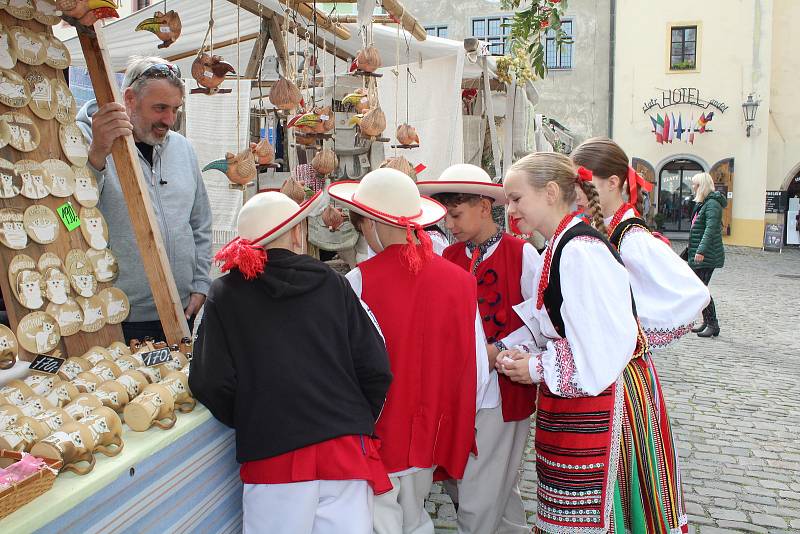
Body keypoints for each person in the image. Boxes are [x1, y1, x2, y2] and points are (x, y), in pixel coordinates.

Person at [497, 152, 689, 534]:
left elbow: (600, 344)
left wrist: (536, 367)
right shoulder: (561, 245)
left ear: (550, 192)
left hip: (601, 401)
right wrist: (533, 356)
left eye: (516, 198)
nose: (511, 210)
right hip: (579, 400)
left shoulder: (580, 251)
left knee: (597, 513)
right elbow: (573, 330)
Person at [190, 191, 393, 534]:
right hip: (343, 449)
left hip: (273, 452)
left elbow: (210, 382)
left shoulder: (225, 293)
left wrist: (252, 414)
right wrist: (349, 418)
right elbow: (375, 368)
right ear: (298, 234)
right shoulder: (334, 284)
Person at [328, 168, 490, 534]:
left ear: (371, 222)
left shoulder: (358, 282)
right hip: (433, 427)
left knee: (381, 519)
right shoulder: (461, 281)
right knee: (414, 516)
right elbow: (477, 369)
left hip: (377, 428)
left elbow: (344, 368)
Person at [417, 163, 539, 534]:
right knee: (497, 492)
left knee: (479, 494)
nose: (449, 226)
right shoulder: (448, 259)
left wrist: (498, 348)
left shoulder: (522, 255)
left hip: (503, 391)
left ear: (484, 207)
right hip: (460, 392)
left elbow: (541, 322)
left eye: (456, 215)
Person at [76, 56, 212, 342]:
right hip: (117, 318)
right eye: (160, 108)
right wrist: (97, 156)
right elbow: (69, 216)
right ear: (129, 99)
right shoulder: (85, 143)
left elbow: (200, 223)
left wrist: (200, 283)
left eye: (175, 109)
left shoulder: (184, 149)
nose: (169, 120)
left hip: (181, 312)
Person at [571, 137, 710, 349]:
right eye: (574, 184)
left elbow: (695, 294)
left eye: (584, 184)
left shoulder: (632, 237)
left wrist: (630, 331)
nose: (576, 193)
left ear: (612, 183)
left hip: (623, 366)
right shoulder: (605, 226)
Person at [687, 172, 726, 337]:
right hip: (700, 252)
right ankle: (707, 321)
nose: (693, 187)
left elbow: (710, 229)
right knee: (700, 289)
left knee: (701, 290)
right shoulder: (704, 203)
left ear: (701, 186)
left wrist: (701, 250)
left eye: (695, 185)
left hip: (707, 255)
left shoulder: (712, 205)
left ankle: (713, 324)